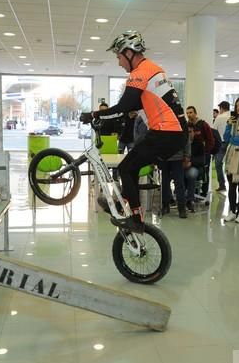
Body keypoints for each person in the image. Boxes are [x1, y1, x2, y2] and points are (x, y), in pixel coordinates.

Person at [80, 30, 186, 233]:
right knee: (132, 167)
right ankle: (124, 206)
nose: (119, 63)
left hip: (166, 133)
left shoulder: (140, 73)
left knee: (125, 168)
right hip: (174, 135)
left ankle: (135, 219)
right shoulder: (154, 70)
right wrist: (108, 117)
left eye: (119, 57)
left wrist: (93, 115)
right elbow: (131, 108)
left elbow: (122, 107)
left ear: (129, 53)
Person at [184, 106, 214, 211]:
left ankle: (194, 198)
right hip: (188, 161)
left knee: (193, 174)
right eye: (187, 113)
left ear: (195, 113)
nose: (189, 114)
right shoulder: (187, 127)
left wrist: (206, 152)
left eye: (191, 112)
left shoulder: (203, 125)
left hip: (201, 158)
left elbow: (211, 141)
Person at [212, 101, 230, 192]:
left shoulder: (220, 117)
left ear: (222, 108)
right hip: (231, 143)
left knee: (218, 164)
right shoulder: (232, 116)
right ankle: (232, 185)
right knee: (230, 165)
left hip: (221, 143)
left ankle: (222, 185)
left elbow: (213, 130)